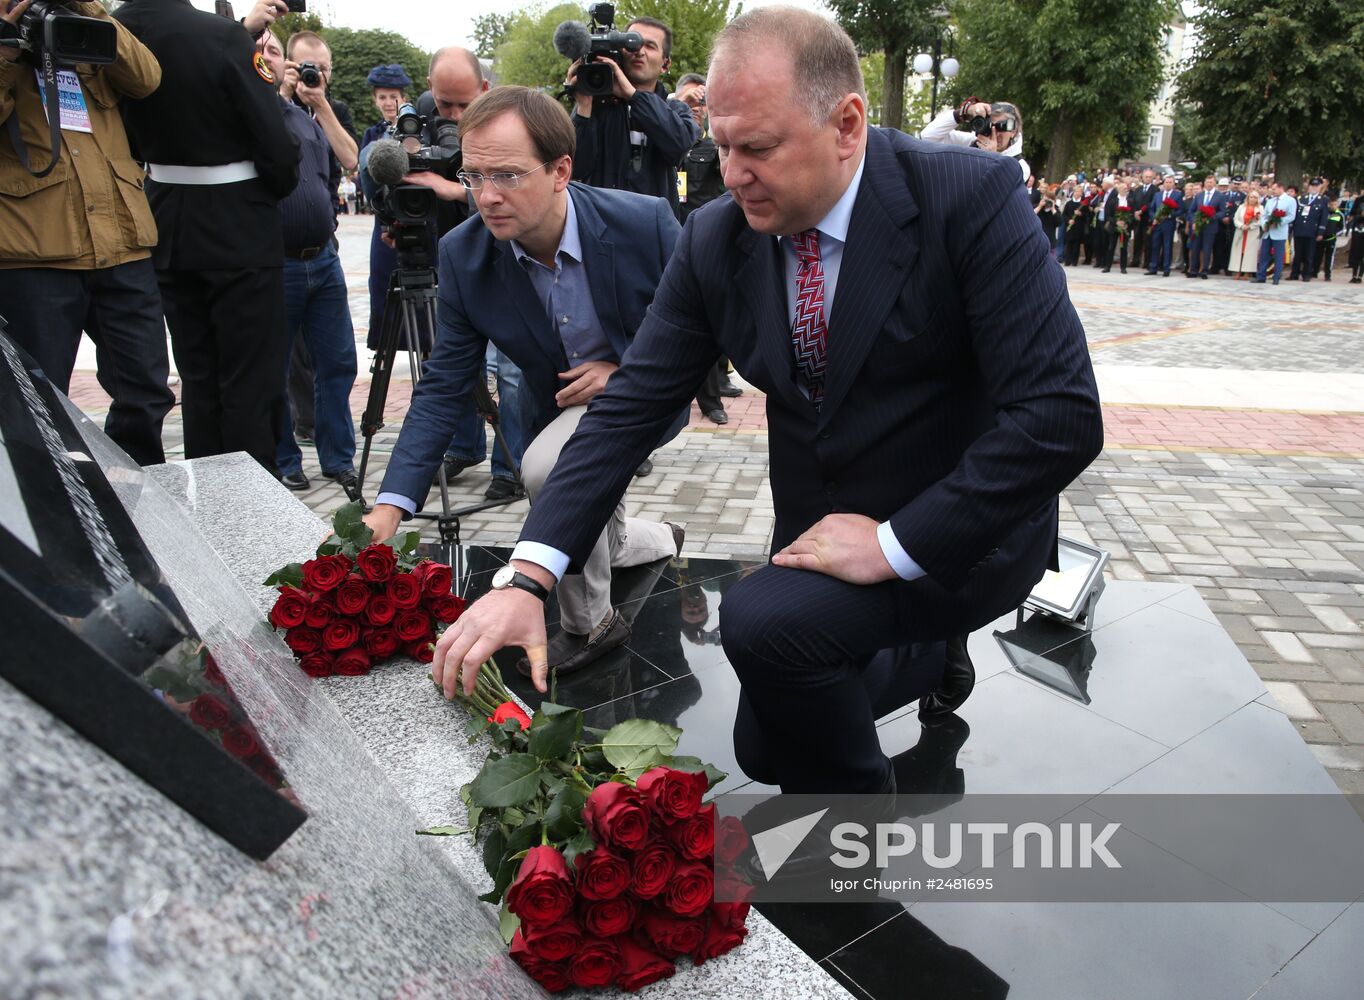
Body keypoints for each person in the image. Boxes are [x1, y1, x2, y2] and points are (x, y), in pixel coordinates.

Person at [431, 9, 1103, 796]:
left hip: (961, 528)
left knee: (764, 632)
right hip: (819, 531)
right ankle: (927, 654)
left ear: (846, 124)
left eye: (758, 148)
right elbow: (629, 408)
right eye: (720, 145)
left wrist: (893, 545)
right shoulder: (718, 237)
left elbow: (1059, 416)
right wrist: (528, 577)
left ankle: (856, 845)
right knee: (766, 749)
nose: (733, 173)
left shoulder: (969, 198)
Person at [363, 86, 688, 676]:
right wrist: (389, 506)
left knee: (547, 469)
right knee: (587, 524)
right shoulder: (464, 255)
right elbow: (442, 390)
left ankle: (592, 624)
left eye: (508, 175)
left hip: (647, 394)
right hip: (559, 407)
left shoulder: (644, 224)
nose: (486, 197)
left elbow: (703, 326)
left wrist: (625, 370)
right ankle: (661, 538)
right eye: (473, 175)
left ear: (561, 170)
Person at [114, 0, 299, 475]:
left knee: (198, 379)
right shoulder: (220, 36)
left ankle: (208, 505)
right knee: (249, 382)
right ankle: (252, 513)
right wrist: (277, 181)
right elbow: (274, 143)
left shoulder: (110, 31)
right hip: (237, 223)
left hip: (167, 218)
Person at [0, 0, 173, 467]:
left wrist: (83, 5)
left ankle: (135, 495)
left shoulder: (80, 23)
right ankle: (53, 513)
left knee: (147, 389)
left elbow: (146, 76)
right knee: (36, 401)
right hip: (36, 253)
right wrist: (6, 44)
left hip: (122, 244)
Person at [257, 31, 357, 494]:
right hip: (277, 263)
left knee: (338, 362)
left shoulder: (318, 116)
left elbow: (350, 162)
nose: (315, 75)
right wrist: (280, 92)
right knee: (274, 369)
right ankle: (284, 460)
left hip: (324, 260)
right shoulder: (261, 109)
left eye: (324, 68)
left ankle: (338, 459)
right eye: (304, 66)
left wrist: (320, 104)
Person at [567, 16, 699, 220]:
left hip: (654, 233)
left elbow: (678, 145)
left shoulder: (676, 109)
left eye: (650, 46)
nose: (639, 50)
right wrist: (584, 104)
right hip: (601, 227)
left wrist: (633, 97)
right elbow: (576, 167)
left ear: (665, 64)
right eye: (631, 42)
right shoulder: (596, 107)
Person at [673, 71, 733, 425]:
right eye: (690, 103)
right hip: (670, 232)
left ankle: (711, 400)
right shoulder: (669, 141)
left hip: (702, 237)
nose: (695, 110)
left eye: (700, 105)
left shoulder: (714, 147)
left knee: (707, 317)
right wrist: (678, 103)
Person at [920, 96, 1030, 181]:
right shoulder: (971, 142)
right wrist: (964, 112)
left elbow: (997, 193)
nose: (995, 133)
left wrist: (992, 159)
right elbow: (928, 137)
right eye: (990, 126)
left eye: (1002, 127)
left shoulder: (1020, 166)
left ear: (1014, 131)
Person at [1253, 180, 1295, 285]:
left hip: (1279, 232)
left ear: (1281, 188)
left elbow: (1291, 216)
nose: (1273, 191)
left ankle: (1276, 277)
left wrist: (1279, 222)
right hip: (1268, 232)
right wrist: (1265, 224)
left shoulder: (1290, 200)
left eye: (1274, 189)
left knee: (1278, 255)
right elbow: (1265, 215)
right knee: (1264, 255)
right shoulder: (1271, 201)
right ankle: (1261, 276)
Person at [1187, 174, 1228, 279]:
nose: (1209, 184)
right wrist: (1193, 221)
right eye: (1207, 182)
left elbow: (1223, 212)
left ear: (1214, 183)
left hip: (1210, 226)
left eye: (1211, 182)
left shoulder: (1220, 196)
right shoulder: (1199, 195)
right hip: (1197, 226)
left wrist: (1211, 217)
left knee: (1207, 249)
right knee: (1195, 248)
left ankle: (1204, 270)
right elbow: (1191, 211)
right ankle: (1193, 270)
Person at [1290, 177, 1327, 281]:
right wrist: (1292, 228)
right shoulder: (1301, 198)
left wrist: (1320, 232)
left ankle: (1306, 274)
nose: (1314, 188)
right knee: (1297, 254)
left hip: (1312, 230)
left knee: (1309, 254)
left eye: (1316, 186)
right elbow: (1296, 214)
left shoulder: (1323, 200)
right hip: (1300, 229)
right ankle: (1294, 273)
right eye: (1312, 186)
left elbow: (1323, 217)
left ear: (1320, 187)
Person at [1146, 175, 1182, 276]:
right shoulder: (1158, 194)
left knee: (1167, 246)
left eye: (1170, 182)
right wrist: (1154, 217)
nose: (1168, 184)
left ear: (1174, 184)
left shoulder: (1177, 195)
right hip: (1157, 224)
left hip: (1168, 224)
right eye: (1166, 182)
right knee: (1155, 246)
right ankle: (1153, 267)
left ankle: (1166, 268)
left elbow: (1180, 210)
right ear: (1163, 183)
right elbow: (1152, 208)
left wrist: (1170, 215)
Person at [1229, 192, 1262, 279]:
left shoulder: (1260, 208)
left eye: (1255, 197)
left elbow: (1260, 221)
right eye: (1251, 197)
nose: (1252, 199)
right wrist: (1241, 225)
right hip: (1241, 231)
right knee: (1238, 251)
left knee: (1250, 252)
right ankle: (1237, 271)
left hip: (1252, 232)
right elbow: (1236, 218)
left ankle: (1247, 272)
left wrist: (1250, 226)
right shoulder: (1241, 207)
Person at [1318, 197, 1344, 281]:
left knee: (1329, 258)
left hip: (1331, 239)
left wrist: (1334, 234)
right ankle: (1314, 272)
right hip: (1321, 238)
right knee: (1317, 256)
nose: (1333, 206)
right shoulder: (1324, 213)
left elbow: (1342, 228)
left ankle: (1327, 275)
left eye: (1335, 204)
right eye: (1331, 204)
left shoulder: (1339, 214)